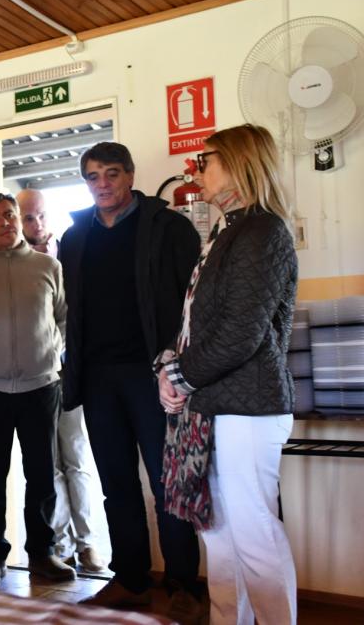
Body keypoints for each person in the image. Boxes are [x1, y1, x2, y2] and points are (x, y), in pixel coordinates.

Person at [158, 124, 298, 625]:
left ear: (240, 164)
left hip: (249, 406)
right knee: (218, 532)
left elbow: (242, 333)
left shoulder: (262, 231)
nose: (197, 168)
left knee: (254, 530)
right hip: (217, 404)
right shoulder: (229, 230)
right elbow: (199, 325)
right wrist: (172, 370)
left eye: (207, 158)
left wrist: (179, 377)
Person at [59, 142, 203, 621]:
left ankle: (183, 585)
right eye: (93, 176)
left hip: (155, 375)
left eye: (112, 174)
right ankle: (132, 580)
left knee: (168, 485)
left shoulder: (168, 227)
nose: (102, 184)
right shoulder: (75, 237)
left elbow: (193, 306)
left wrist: (180, 368)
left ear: (131, 175)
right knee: (115, 483)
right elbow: (72, 314)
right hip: (98, 377)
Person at [0, 193, 75, 587]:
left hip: (41, 387)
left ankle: (42, 554)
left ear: (18, 219)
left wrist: (51, 354)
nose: (4, 222)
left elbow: (63, 319)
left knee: (41, 475)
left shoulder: (48, 266)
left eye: (9, 215)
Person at [17, 188, 107, 573]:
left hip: (70, 373)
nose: (35, 224)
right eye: (27, 217)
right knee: (47, 465)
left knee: (77, 460)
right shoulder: (14, 264)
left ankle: (88, 545)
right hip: (34, 379)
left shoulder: (70, 252)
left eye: (39, 215)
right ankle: (62, 545)